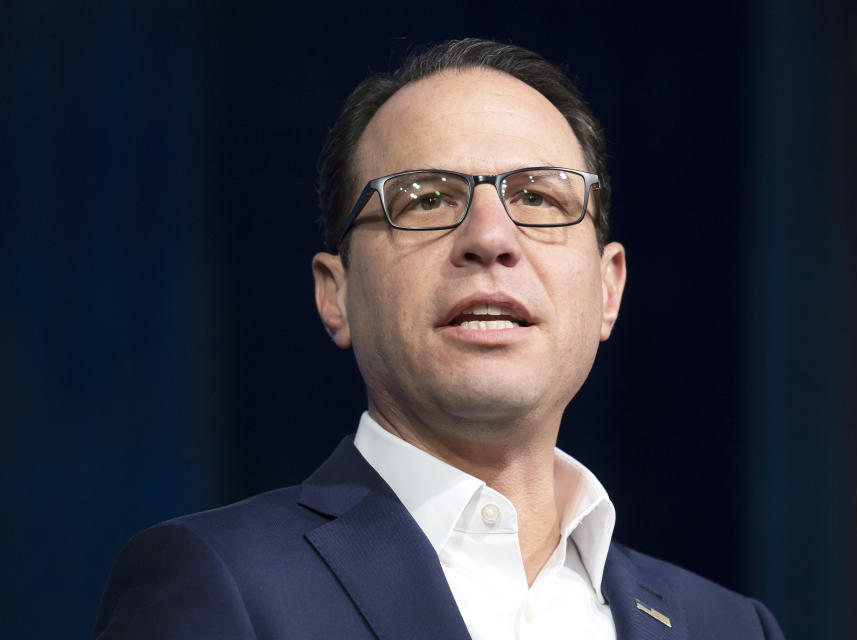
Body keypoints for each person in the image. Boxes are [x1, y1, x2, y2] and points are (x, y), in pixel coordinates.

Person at [95, 38, 785, 639]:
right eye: (425, 199)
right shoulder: (219, 584)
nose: (490, 239)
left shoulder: (729, 627)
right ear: (335, 294)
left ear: (609, 289)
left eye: (539, 198)